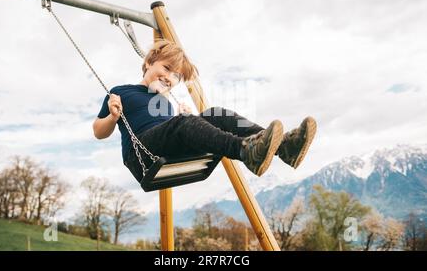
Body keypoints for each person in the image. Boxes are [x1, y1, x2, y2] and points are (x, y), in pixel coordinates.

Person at [93, 39, 317, 183]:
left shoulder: (167, 104)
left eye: (176, 77)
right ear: (150, 62)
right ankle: (244, 151)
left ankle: (284, 147)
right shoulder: (121, 92)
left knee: (216, 114)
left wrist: (186, 120)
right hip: (141, 156)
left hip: (167, 150)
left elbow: (173, 134)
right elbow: (98, 131)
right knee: (184, 122)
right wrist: (113, 117)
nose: (169, 78)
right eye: (166, 68)